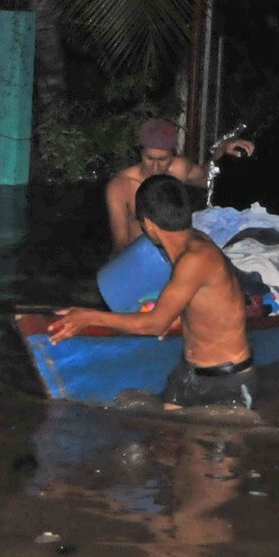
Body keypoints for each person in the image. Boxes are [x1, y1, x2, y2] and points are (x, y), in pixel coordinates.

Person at [50, 174, 255, 409]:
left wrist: (88, 317)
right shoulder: (191, 244)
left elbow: (154, 324)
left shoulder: (196, 259)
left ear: (147, 224)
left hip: (227, 379)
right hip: (188, 373)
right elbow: (206, 300)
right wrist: (177, 317)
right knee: (164, 440)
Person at [106, 119, 255, 254]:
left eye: (163, 159)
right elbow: (120, 244)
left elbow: (206, 177)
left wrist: (223, 149)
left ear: (173, 154)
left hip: (176, 253)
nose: (155, 167)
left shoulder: (179, 169)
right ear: (140, 152)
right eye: (149, 158)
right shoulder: (121, 186)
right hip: (138, 257)